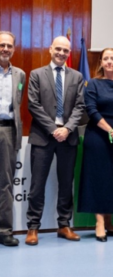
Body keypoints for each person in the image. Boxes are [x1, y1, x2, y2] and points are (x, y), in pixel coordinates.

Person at [25, 36, 84, 246]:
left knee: (66, 183)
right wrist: (53, 129)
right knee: (37, 184)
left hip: (68, 137)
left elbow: (80, 107)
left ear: (69, 53)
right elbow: (33, 105)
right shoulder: (36, 74)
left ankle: (64, 224)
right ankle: (33, 227)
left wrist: (67, 128)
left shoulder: (77, 77)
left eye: (65, 50)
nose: (61, 53)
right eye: (58, 49)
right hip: (43, 136)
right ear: (50, 49)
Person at [77, 48, 113, 242]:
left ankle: (110, 220)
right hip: (98, 137)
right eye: (106, 59)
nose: (109, 62)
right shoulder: (93, 84)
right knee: (99, 179)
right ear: (100, 62)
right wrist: (110, 129)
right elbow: (91, 110)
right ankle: (99, 222)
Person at [0, 31, 26, 247]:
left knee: (6, 183)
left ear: (14, 49)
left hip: (8, 131)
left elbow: (17, 104)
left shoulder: (20, 74)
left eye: (9, 45)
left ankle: (4, 230)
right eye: (1, 45)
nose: (5, 49)